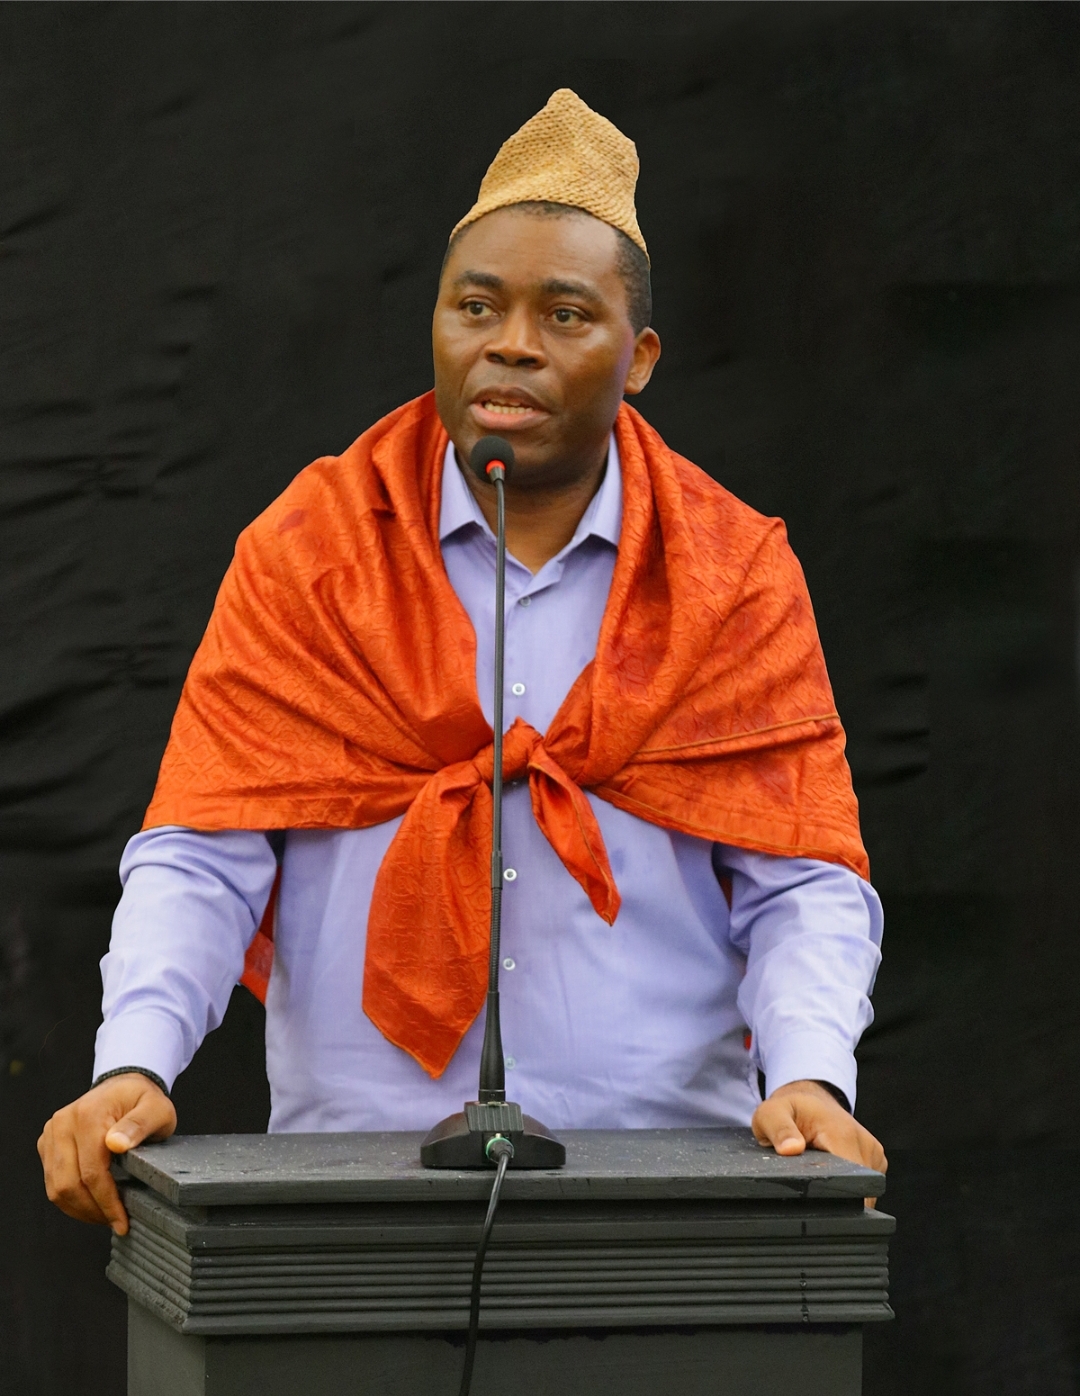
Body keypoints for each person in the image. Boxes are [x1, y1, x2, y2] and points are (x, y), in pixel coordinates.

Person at [39, 90, 886, 1236]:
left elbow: (802, 878)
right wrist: (133, 1061)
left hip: (673, 1189)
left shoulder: (731, 573)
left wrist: (812, 1076)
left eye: (564, 314)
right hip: (347, 1190)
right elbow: (204, 850)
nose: (511, 343)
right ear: (436, 322)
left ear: (639, 358)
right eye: (475, 305)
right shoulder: (310, 553)